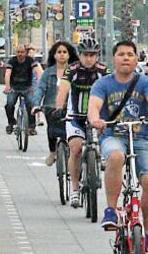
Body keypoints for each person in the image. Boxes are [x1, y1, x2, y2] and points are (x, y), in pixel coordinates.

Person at [88, 40, 148, 253]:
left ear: (136, 59)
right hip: (113, 135)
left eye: (130, 54)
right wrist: (96, 119)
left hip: (141, 138)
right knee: (115, 157)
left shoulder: (145, 82)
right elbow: (94, 106)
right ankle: (111, 210)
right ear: (113, 59)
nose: (126, 58)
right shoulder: (103, 84)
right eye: (121, 54)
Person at [55, 35, 109, 207]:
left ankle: (101, 156)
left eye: (92, 55)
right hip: (75, 116)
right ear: (79, 55)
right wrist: (58, 107)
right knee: (76, 149)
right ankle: (75, 189)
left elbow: (113, 90)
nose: (89, 58)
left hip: (97, 116)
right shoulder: (72, 70)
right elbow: (63, 90)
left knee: (109, 136)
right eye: (85, 55)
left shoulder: (103, 71)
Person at [32, 40, 77, 166]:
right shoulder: (48, 72)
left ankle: (74, 156)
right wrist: (36, 104)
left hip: (71, 107)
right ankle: (52, 152)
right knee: (52, 130)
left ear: (69, 55)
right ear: (54, 55)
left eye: (64, 52)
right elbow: (40, 88)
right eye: (59, 52)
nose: (62, 54)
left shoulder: (75, 71)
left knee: (72, 132)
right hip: (51, 106)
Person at [4, 44, 42, 136]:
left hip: (27, 87)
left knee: (31, 105)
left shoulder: (30, 60)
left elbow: (38, 71)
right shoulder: (12, 61)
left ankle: (31, 127)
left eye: (22, 52)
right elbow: (7, 73)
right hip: (14, 87)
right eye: (18, 52)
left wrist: (39, 85)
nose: (20, 54)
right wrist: (7, 86)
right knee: (9, 105)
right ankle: (11, 123)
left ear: (25, 53)